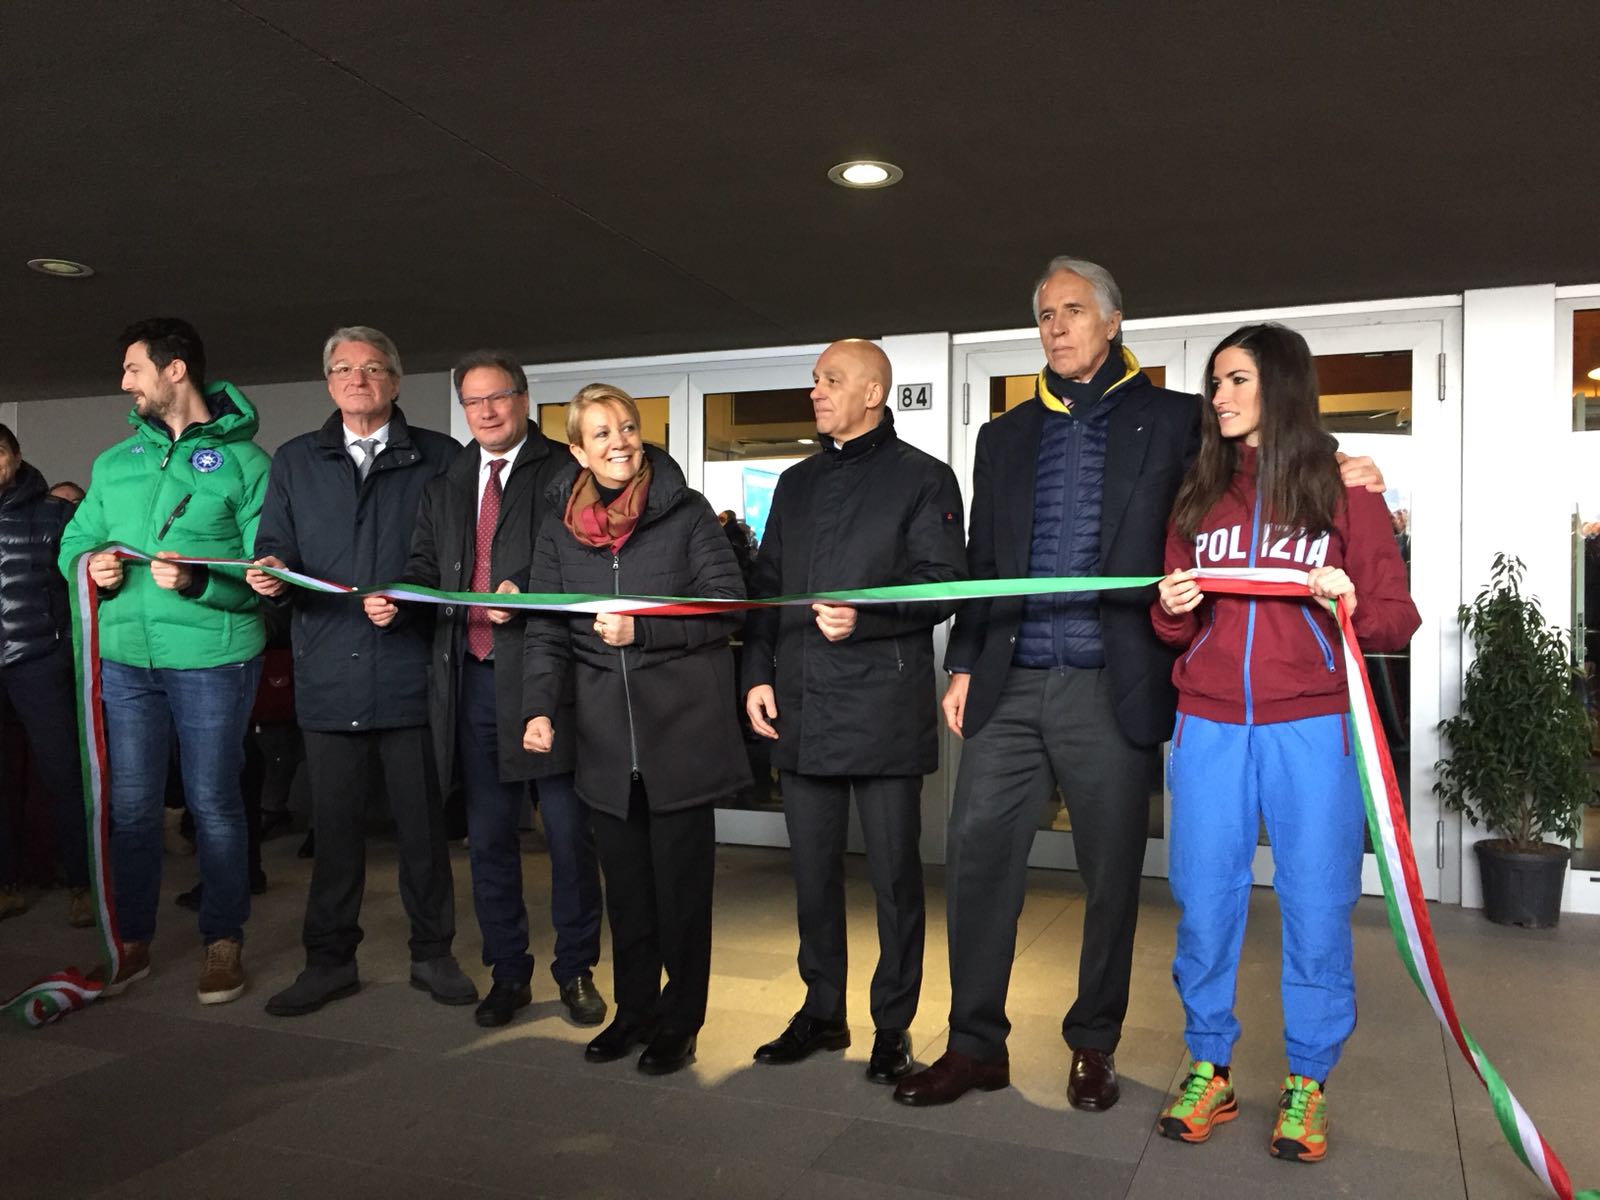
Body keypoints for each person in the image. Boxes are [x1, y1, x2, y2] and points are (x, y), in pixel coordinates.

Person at [894, 258, 1384, 1110]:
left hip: (1112, 683)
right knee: (977, 861)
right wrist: (965, 661)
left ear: (1113, 321)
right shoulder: (1001, 437)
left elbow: (1263, 457)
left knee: (1113, 875)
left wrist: (1351, 469)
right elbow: (984, 564)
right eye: (1045, 314)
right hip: (1009, 683)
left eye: (1074, 311)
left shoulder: (1177, 420)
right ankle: (976, 1045)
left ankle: (1094, 1045)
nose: (1056, 327)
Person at [1149, 323, 1418, 1161]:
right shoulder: (1197, 494)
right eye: (1215, 383)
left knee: (1314, 898)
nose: (1218, 397)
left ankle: (1307, 1080)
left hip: (1310, 722)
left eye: (1234, 380)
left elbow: (1394, 619)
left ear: (1280, 385)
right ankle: (1209, 1067)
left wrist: (1344, 598)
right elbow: (1165, 623)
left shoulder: (1345, 491)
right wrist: (1174, 607)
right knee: (1203, 895)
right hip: (1210, 722)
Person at [743, 339, 965, 1083]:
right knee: (811, 874)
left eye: (830, 381)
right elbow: (767, 586)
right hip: (801, 701)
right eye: (815, 381)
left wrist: (865, 618)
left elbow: (941, 582)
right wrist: (755, 674)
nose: (816, 392)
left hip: (882, 708)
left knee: (897, 880)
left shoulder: (924, 479)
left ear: (874, 394)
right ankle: (822, 1011)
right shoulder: (797, 483)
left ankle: (893, 1027)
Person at [249, 325, 475, 1016]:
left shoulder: (441, 458)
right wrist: (272, 578)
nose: (358, 379)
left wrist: (406, 607)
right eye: (344, 369)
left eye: (373, 368)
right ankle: (328, 962)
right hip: (329, 675)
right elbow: (274, 547)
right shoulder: (292, 461)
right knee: (336, 834)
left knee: (423, 832)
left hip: (411, 675)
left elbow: (456, 563)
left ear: (396, 382)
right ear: (328, 384)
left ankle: (434, 954)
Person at [522, 384, 746, 1076]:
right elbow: (547, 631)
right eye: (602, 433)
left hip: (681, 735)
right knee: (628, 895)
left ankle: (682, 1022)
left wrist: (642, 629)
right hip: (605, 746)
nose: (620, 441)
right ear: (577, 449)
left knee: (682, 896)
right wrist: (537, 706)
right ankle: (636, 1012)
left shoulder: (685, 516)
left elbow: (729, 607)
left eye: (628, 427)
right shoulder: (559, 529)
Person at [392, 350, 606, 1029]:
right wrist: (399, 598)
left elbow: (593, 564)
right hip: (473, 681)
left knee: (569, 836)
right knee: (487, 840)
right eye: (473, 401)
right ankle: (508, 972)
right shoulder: (448, 479)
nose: (485, 411)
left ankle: (575, 972)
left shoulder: (568, 472)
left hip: (548, 681)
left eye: (498, 397)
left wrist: (534, 592)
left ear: (523, 398)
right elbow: (426, 565)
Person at [59, 317, 269, 1004]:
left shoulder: (247, 464)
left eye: (132, 369)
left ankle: (223, 938)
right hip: (125, 660)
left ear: (175, 370)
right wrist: (94, 566)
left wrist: (204, 581)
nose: (124, 382)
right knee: (133, 807)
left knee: (213, 804)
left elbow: (270, 575)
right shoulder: (114, 463)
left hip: (212, 659)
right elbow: (75, 541)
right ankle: (133, 938)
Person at [0, 424, 91, 926]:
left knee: (63, 776)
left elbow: (87, 587)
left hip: (40, 661)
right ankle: (7, 884)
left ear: (16, 456)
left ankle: (83, 883)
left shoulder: (56, 514)